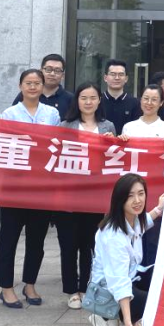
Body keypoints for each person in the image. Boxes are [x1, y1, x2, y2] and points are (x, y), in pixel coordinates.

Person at [0, 69, 59, 308]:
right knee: (8, 238)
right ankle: (6, 287)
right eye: (28, 83)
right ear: (20, 86)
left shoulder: (52, 113)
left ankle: (30, 284)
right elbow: (4, 145)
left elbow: (56, 144)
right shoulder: (9, 113)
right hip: (14, 186)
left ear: (43, 86)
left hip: (42, 187)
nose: (33, 87)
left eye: (37, 83)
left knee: (36, 240)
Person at [89, 174, 164, 326]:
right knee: (159, 305)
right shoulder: (113, 236)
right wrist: (128, 323)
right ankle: (106, 315)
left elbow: (143, 224)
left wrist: (159, 209)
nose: (137, 200)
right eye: (130, 196)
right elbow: (119, 282)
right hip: (109, 291)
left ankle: (134, 318)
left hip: (131, 279)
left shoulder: (132, 219)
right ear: (120, 199)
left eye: (141, 193)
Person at [57, 82, 116, 310]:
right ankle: (71, 290)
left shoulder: (108, 126)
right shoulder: (65, 126)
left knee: (90, 245)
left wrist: (113, 142)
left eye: (92, 98)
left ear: (99, 100)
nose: (88, 102)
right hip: (69, 195)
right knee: (68, 245)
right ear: (77, 101)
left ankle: (85, 287)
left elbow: (114, 159)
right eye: (84, 98)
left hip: (96, 196)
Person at [11, 54, 73, 118]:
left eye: (57, 70)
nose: (52, 74)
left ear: (62, 76)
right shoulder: (27, 95)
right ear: (40, 72)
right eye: (48, 69)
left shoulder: (70, 99)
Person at [101, 59, 142, 135]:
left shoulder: (135, 103)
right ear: (105, 78)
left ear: (126, 78)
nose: (117, 78)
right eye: (113, 74)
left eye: (121, 74)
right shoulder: (97, 101)